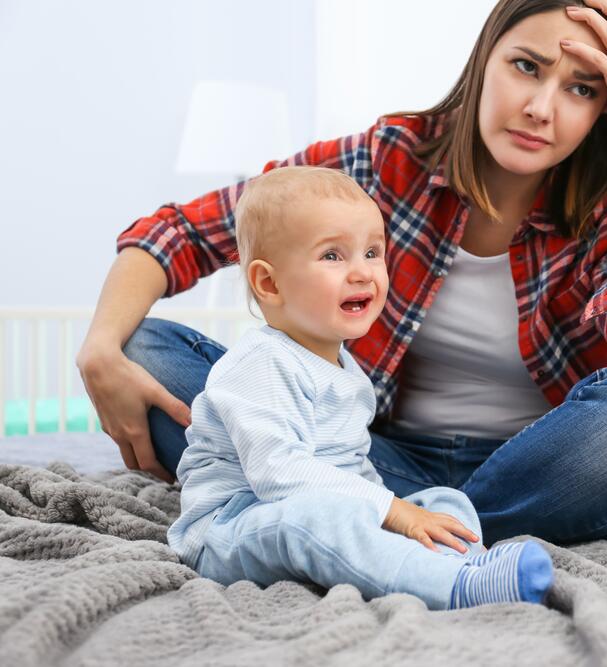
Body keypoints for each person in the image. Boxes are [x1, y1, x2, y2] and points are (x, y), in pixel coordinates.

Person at [77, 0, 607, 548]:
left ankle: (389, 524)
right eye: (525, 66)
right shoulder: (389, 158)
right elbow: (179, 233)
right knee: (143, 347)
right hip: (362, 459)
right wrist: (100, 345)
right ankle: (411, 523)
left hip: (538, 470)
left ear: (605, 108)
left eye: (581, 89)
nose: (540, 107)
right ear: (485, 60)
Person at [166, 165, 553, 609]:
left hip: (317, 509)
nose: (363, 272)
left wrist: (401, 515)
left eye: (372, 252)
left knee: (443, 500)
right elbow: (280, 474)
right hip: (232, 527)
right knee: (322, 520)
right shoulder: (259, 364)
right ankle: (453, 588)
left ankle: (462, 562)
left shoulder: (345, 368)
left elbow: (353, 470)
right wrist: (391, 511)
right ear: (269, 283)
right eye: (333, 256)